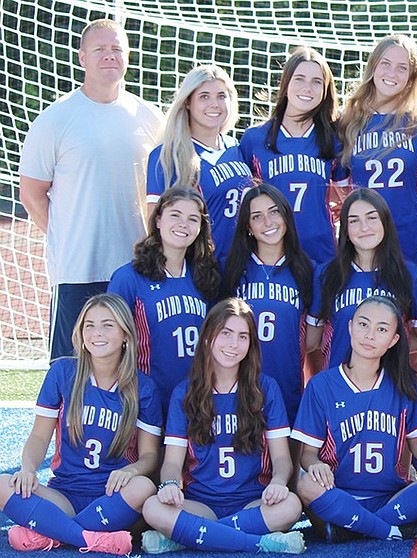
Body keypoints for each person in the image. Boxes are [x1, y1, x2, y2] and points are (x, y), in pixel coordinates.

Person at [18, 18, 164, 361]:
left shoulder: (150, 117)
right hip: (77, 270)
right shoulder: (56, 118)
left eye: (116, 49)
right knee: (73, 370)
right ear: (82, 57)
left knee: (135, 367)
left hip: (135, 267)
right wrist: (68, 234)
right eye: (100, 49)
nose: (109, 56)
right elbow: (32, 192)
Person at [0, 294, 161, 555]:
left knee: (144, 487)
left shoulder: (143, 387)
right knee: (3, 484)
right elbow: (39, 437)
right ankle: (92, 539)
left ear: (125, 335)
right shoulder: (62, 373)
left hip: (112, 496)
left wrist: (132, 471)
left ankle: (51, 533)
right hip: (63, 494)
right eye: (90, 325)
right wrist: (28, 469)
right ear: (80, 333)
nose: (97, 333)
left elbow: (150, 456)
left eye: (108, 325)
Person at [141, 299, 304, 554]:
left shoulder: (266, 389)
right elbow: (172, 462)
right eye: (225, 333)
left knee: (291, 505)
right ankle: (260, 542)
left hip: (254, 502)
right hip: (200, 504)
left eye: (243, 336)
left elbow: (282, 458)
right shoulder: (185, 393)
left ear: (251, 344)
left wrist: (279, 482)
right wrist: (170, 485)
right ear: (207, 337)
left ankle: (191, 535)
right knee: (152, 507)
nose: (233, 344)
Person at [293, 296, 417, 542]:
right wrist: (314, 464)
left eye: (381, 329)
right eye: (363, 324)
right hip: (338, 493)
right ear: (350, 327)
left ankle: (353, 528)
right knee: (306, 485)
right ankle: (392, 531)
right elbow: (308, 453)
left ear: (393, 340)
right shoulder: (321, 385)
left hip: (392, 496)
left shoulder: (404, 387)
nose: (369, 335)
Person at [108, 186, 221, 411]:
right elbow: (112, 340)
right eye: (175, 215)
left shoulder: (206, 276)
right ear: (158, 220)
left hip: (196, 399)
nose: (183, 224)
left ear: (200, 228)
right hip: (147, 399)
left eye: (192, 219)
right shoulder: (129, 278)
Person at [337, 35, 417, 267]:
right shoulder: (348, 122)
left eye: (402, 68)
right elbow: (342, 187)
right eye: (385, 63)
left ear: (411, 77)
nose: (392, 73)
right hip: (364, 239)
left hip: (411, 234)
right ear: (373, 66)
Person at [239, 46, 345, 265]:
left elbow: (346, 195)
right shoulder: (254, 139)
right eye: (299, 79)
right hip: (269, 254)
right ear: (285, 84)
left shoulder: (334, 139)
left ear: (326, 90)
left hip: (320, 253)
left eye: (317, 81)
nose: (307, 88)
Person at [306, 188, 417, 370]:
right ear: (346, 230)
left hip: (390, 385)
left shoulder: (409, 274)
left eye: (372, 217)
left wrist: (387, 346)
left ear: (385, 222)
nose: (364, 227)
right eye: (354, 221)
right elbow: (312, 340)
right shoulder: (326, 274)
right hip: (340, 384)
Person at [222, 185, 314, 421]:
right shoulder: (230, 269)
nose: (267, 222)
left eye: (274, 212)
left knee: (285, 455)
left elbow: (313, 338)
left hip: (286, 383)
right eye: (256, 217)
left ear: (286, 216)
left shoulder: (307, 270)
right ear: (248, 226)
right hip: (236, 384)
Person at [146, 64, 253, 263]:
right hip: (200, 268)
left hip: (242, 266)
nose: (215, 104)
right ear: (187, 102)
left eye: (221, 96)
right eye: (204, 96)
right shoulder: (167, 156)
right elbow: (155, 227)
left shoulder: (238, 149)